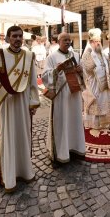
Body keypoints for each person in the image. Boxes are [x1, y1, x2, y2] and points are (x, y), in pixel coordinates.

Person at [0, 26, 40, 192]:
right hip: (6, 104)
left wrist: (33, 102)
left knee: (23, 136)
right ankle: (9, 176)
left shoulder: (29, 55)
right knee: (7, 138)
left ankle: (25, 171)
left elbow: (33, 83)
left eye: (20, 36)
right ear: (7, 38)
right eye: (14, 36)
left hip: (23, 104)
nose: (17, 39)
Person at [42, 32, 85, 163]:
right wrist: (57, 70)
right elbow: (45, 76)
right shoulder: (52, 57)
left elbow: (83, 73)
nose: (67, 42)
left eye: (69, 40)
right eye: (65, 40)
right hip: (61, 94)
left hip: (74, 93)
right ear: (59, 41)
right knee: (61, 121)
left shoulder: (76, 55)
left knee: (74, 120)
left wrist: (80, 70)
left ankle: (76, 147)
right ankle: (61, 152)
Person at [82, 28, 110, 131]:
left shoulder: (102, 53)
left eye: (99, 41)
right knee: (96, 103)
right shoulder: (87, 53)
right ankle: (94, 124)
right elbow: (88, 68)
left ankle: (104, 122)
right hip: (94, 84)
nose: (98, 43)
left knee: (104, 101)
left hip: (104, 84)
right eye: (96, 42)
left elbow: (107, 67)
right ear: (91, 42)